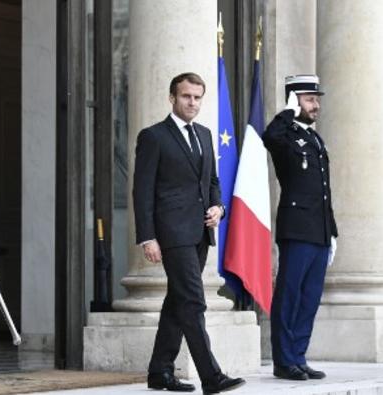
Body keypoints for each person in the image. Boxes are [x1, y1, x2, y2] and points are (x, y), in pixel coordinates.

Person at [133, 72, 245, 394]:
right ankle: (211, 376)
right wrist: (147, 236)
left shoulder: (205, 135)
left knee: (177, 301)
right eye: (186, 96)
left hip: (200, 232)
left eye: (197, 97)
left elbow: (211, 182)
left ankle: (160, 372)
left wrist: (218, 207)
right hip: (172, 234)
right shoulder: (153, 136)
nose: (192, 102)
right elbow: (142, 191)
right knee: (194, 300)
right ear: (172, 98)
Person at [263, 75, 338, 381]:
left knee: (310, 297)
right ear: (294, 100)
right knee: (290, 295)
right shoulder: (286, 136)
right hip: (296, 229)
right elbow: (269, 137)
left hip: (318, 230)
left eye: (316, 98)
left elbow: (324, 190)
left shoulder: (314, 139)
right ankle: (283, 360)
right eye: (309, 99)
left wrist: (331, 231)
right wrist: (287, 112)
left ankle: (299, 356)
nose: (316, 104)